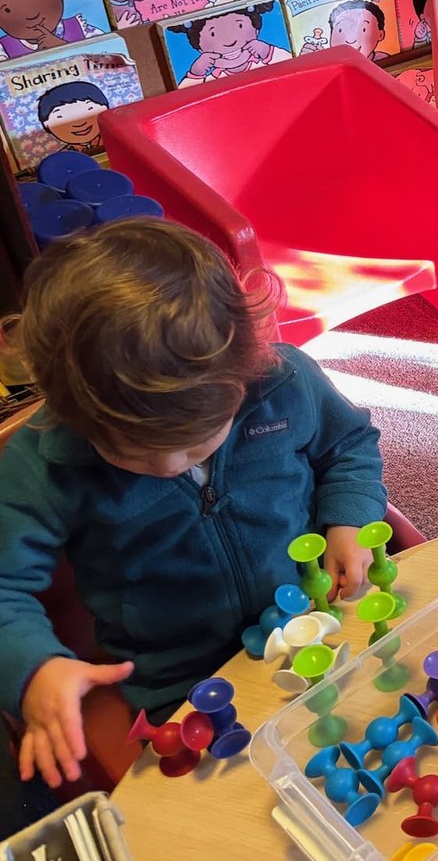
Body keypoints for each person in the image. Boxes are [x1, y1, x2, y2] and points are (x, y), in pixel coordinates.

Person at [0, 219, 389, 799]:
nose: (169, 464)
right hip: (180, 677)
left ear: (243, 376)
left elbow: (349, 445)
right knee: (238, 808)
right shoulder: (44, 461)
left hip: (320, 612)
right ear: (71, 413)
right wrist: (34, 668)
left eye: (198, 441)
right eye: (131, 451)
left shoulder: (283, 382)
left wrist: (349, 519)